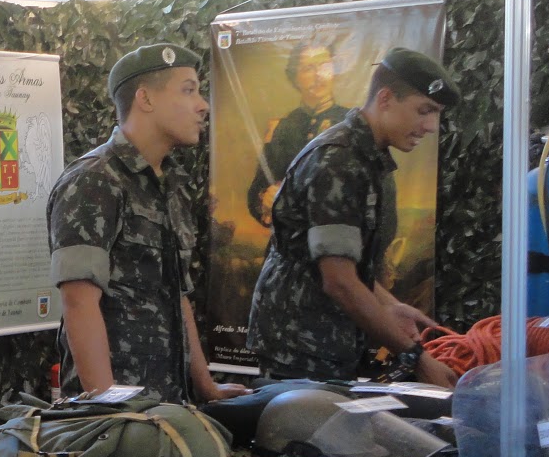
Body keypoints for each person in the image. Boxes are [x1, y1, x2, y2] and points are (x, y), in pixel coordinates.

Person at [48, 43, 249, 404]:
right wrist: (108, 407)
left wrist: (206, 386)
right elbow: (78, 301)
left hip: (168, 400)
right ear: (145, 98)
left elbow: (177, 294)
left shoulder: (170, 183)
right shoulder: (94, 181)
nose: (202, 105)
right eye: (188, 90)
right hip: (120, 406)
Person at [247, 47, 459, 389]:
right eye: (424, 111)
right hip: (302, 349)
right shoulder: (340, 161)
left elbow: (342, 264)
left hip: (324, 343)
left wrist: (390, 305)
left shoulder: (365, 156)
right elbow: (339, 281)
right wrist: (416, 360)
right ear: (385, 99)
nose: (431, 126)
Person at [246, 42, 352, 226]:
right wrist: (266, 197)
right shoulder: (282, 127)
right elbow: (259, 186)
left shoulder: (352, 122)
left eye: (324, 66)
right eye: (308, 68)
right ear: (295, 78)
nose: (318, 75)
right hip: (291, 235)